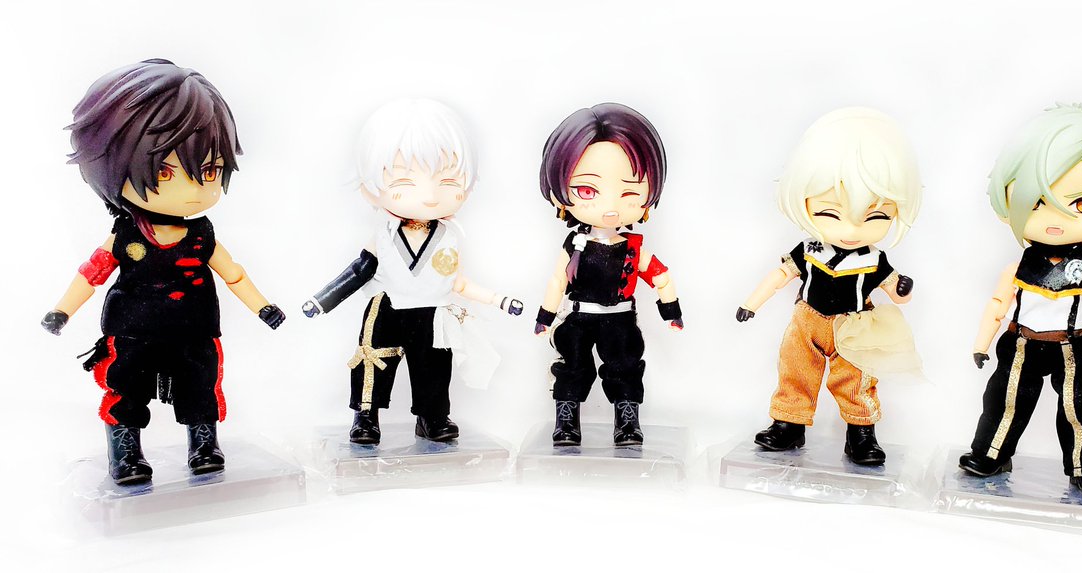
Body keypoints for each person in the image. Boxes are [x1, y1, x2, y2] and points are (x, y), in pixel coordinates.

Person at [42, 59, 286, 484]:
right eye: (164, 171)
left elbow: (234, 274)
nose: (192, 189)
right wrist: (61, 311)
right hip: (132, 331)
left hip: (194, 328)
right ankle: (125, 449)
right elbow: (91, 274)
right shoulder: (124, 234)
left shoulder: (202, 234)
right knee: (125, 390)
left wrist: (263, 307)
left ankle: (203, 441)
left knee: (200, 387)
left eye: (208, 171)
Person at [959, 104, 1082, 496]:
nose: (1056, 219)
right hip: (1023, 342)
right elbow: (997, 306)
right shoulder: (1018, 269)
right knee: (1005, 399)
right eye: (1036, 201)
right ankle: (990, 453)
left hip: (1075, 345)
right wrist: (981, 344)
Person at [302, 99, 523, 446]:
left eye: (447, 180)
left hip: (433, 312)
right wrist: (322, 301)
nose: (430, 196)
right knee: (374, 362)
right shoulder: (382, 233)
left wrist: (499, 299)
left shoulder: (449, 235)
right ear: (370, 187)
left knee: (433, 366)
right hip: (387, 307)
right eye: (406, 181)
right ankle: (366, 416)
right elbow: (360, 270)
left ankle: (432, 416)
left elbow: (458, 282)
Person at [736, 108, 923, 465]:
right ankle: (789, 424)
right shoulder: (809, 249)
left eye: (874, 216)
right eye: (830, 213)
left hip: (853, 325)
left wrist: (903, 288)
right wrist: (751, 304)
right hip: (807, 320)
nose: (851, 230)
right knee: (795, 371)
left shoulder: (873, 259)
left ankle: (861, 433)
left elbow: (897, 293)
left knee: (856, 378)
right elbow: (780, 275)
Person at [534, 103, 683, 447]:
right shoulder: (575, 244)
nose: (611, 207)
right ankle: (566, 419)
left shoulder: (633, 247)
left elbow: (660, 277)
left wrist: (671, 311)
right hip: (579, 318)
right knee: (572, 368)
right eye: (588, 191)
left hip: (620, 320)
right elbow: (557, 281)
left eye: (629, 192)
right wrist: (545, 317)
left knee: (625, 368)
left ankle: (627, 420)